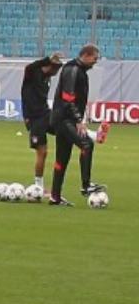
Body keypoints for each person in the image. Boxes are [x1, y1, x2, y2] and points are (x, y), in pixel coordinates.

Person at [47, 45, 106, 207]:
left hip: (63, 118)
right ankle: (86, 185)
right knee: (86, 144)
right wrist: (79, 119)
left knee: (62, 159)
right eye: (95, 58)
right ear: (86, 55)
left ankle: (55, 196)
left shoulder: (77, 70)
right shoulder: (73, 70)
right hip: (65, 119)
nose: (95, 62)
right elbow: (68, 97)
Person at [20, 53, 63, 192]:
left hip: (45, 114)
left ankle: (91, 135)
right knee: (42, 152)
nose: (57, 71)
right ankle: (38, 186)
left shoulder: (48, 78)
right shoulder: (32, 73)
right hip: (35, 118)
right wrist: (47, 59)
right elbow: (30, 67)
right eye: (55, 68)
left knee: (65, 128)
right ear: (48, 66)